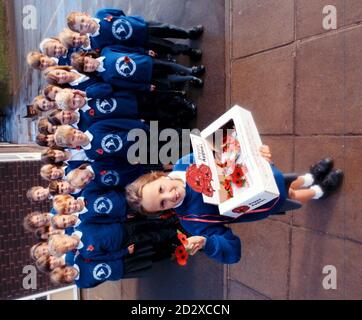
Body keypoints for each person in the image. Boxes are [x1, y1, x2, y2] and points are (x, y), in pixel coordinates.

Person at [125, 149, 344, 264]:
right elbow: (232, 253)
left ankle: (308, 177)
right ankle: (318, 191)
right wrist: (207, 243)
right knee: (291, 194)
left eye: (161, 189)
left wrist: (256, 153)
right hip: (261, 201)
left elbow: (222, 152)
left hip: (259, 174)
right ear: (162, 211)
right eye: (162, 204)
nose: (169, 196)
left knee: (286, 180)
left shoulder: (185, 164)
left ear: (159, 176)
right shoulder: (192, 221)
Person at [66, 9, 203, 59]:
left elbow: (119, 13)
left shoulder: (101, 14)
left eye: (83, 20)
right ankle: (189, 51)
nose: (85, 24)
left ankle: (188, 33)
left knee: (167, 28)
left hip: (142, 25)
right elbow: (120, 48)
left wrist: (134, 22)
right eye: (81, 27)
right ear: (81, 32)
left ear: (85, 15)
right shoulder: (97, 44)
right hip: (141, 42)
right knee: (167, 46)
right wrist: (142, 50)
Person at [70, 47, 205, 92]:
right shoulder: (106, 77)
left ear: (88, 56)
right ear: (86, 72)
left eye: (87, 62)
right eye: (86, 68)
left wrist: (144, 51)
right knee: (169, 79)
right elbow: (126, 84)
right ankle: (191, 78)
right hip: (144, 77)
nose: (89, 65)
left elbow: (127, 49)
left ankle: (190, 70)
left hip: (145, 61)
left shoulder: (107, 51)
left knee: (169, 66)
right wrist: (144, 87)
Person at [53, 118, 149, 161]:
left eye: (74, 132)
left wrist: (142, 127)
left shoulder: (95, 128)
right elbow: (113, 158)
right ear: (72, 146)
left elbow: (120, 123)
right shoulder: (91, 154)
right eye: (73, 138)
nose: (77, 135)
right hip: (139, 153)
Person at [52, 189, 127, 224]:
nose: (72, 206)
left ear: (70, 197)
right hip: (125, 211)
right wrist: (123, 218)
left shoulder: (87, 192)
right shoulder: (86, 218)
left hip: (123, 195)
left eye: (70, 203)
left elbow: (106, 189)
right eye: (69, 210)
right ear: (69, 214)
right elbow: (105, 220)